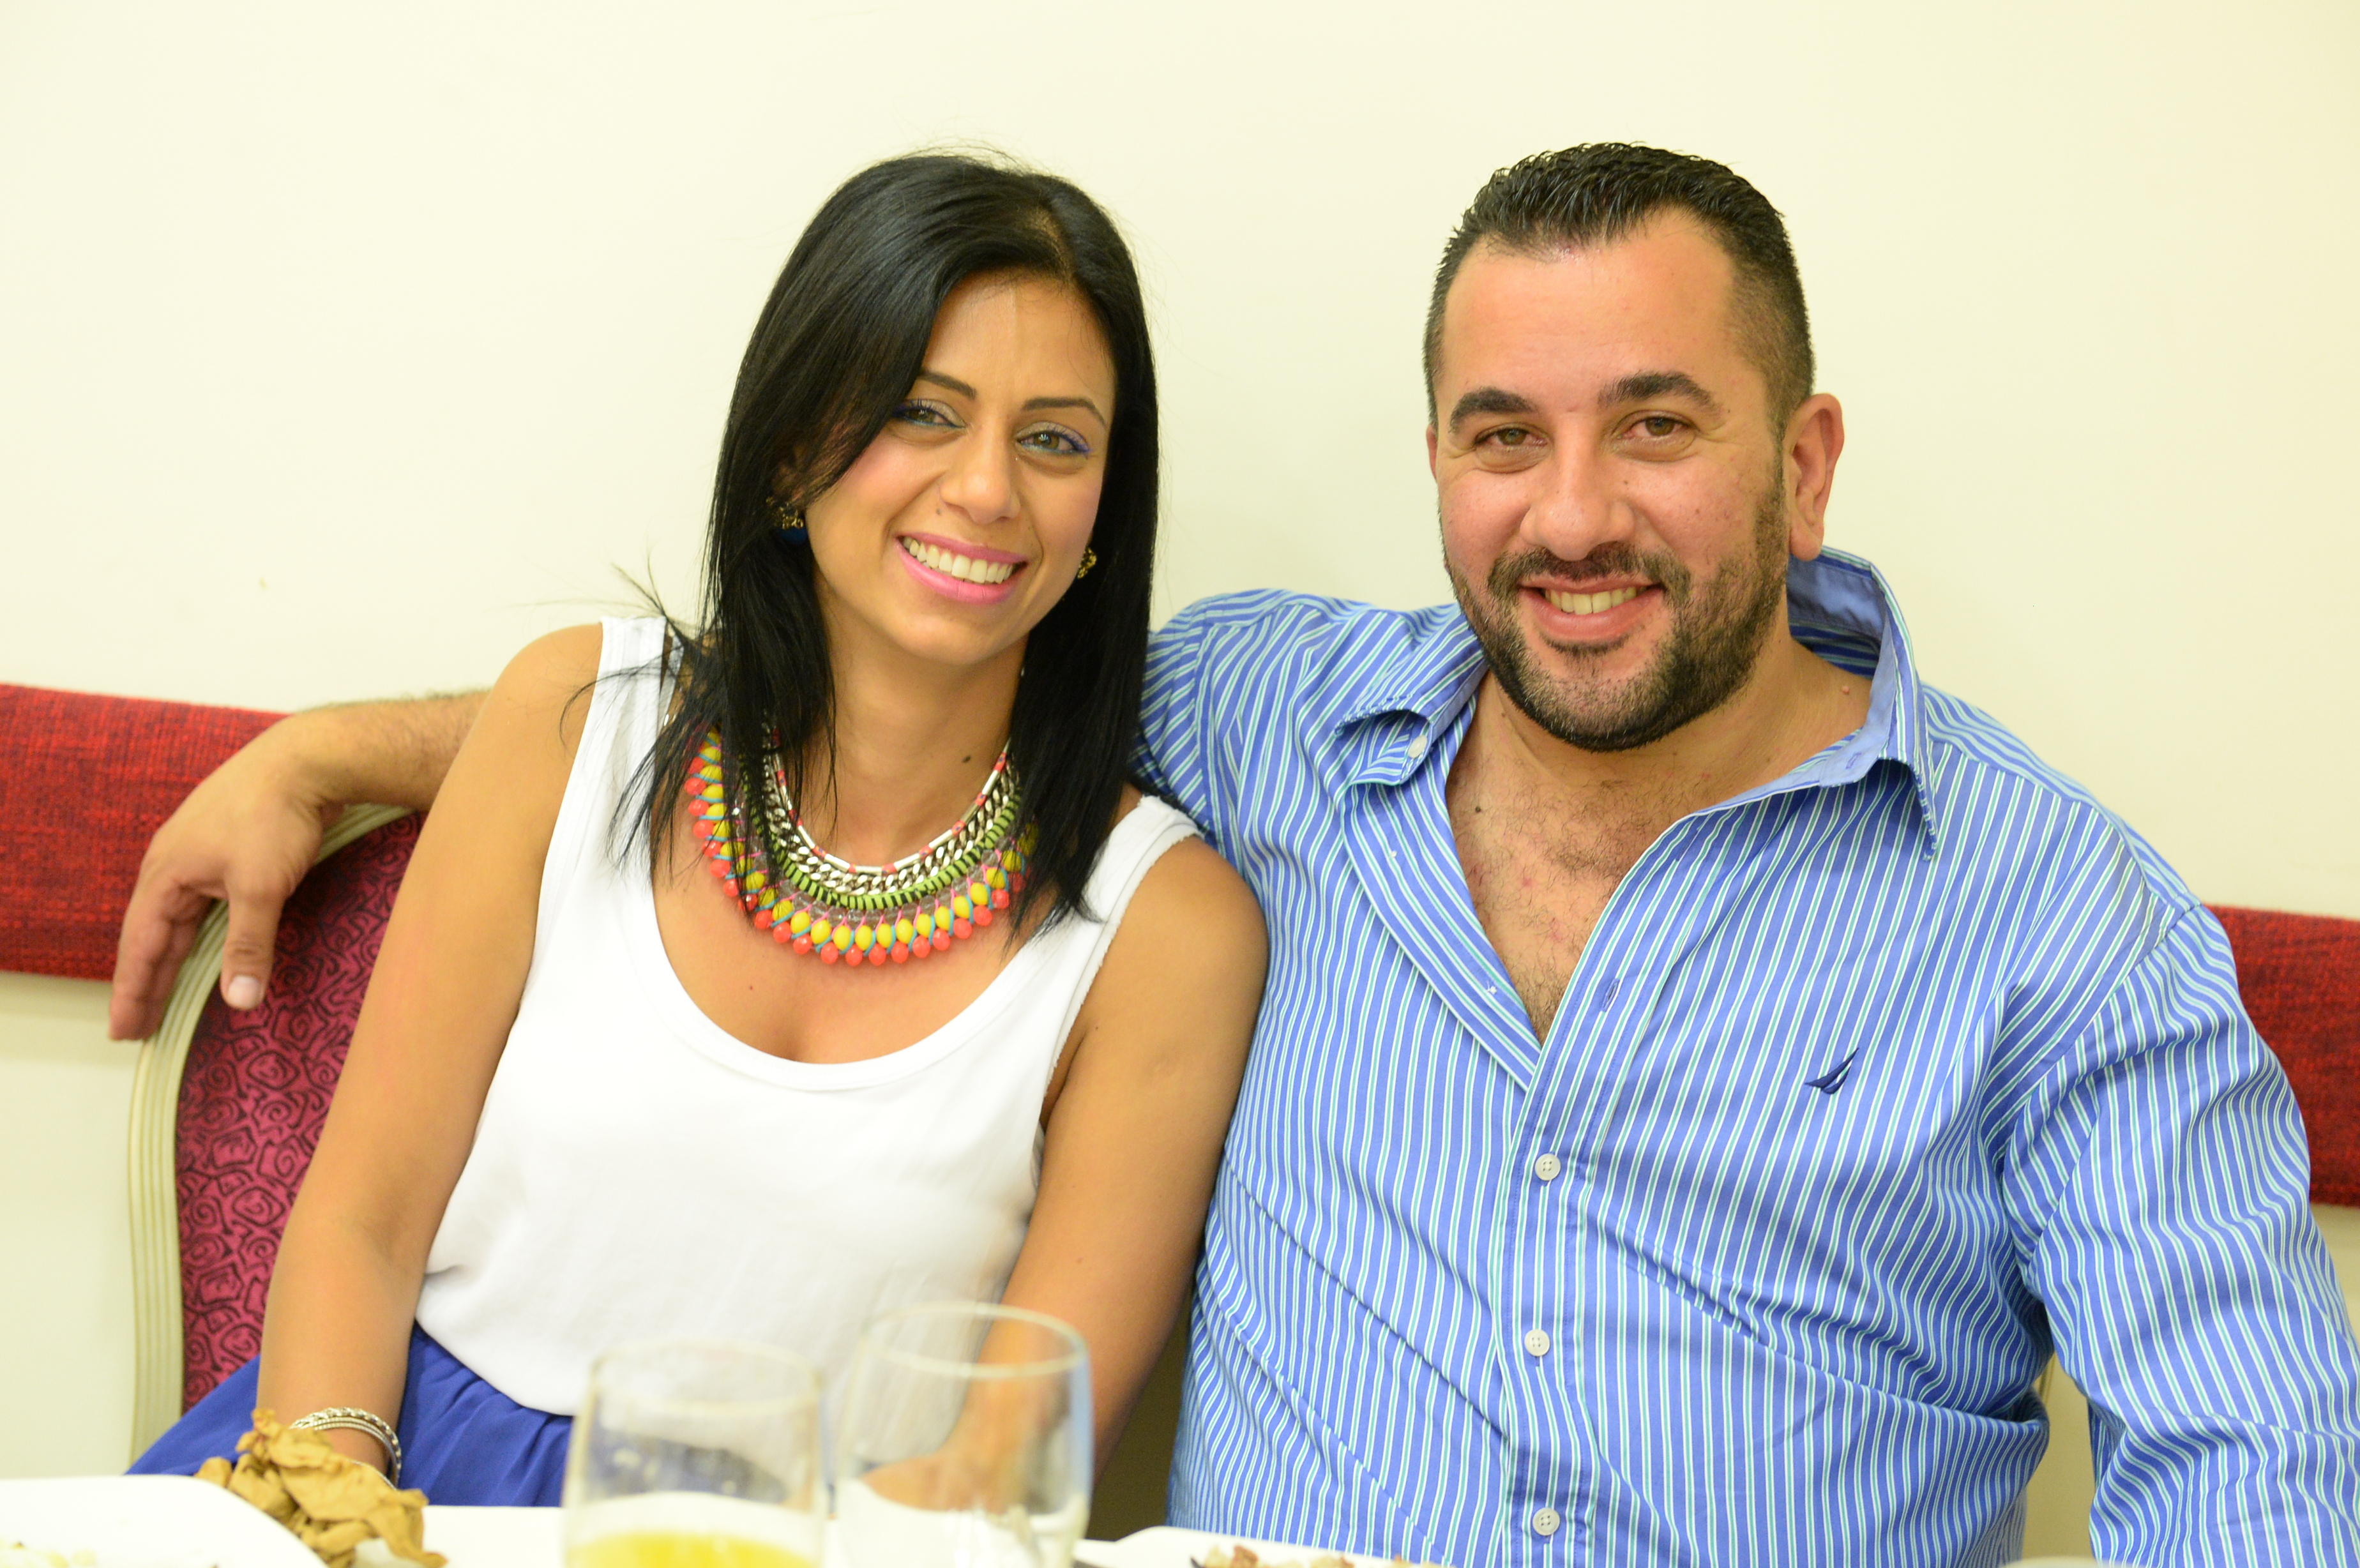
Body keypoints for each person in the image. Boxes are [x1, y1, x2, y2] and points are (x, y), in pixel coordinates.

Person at [113, 145, 2359, 1562]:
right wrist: (350, 745)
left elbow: (2250, 1471)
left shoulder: (2057, 927)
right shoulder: (1277, 726)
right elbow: (843, 685)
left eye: (1656, 427)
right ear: (1437, 462)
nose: (1572, 513)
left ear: (1805, 460)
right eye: (1505, 434)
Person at [121, 152, 1267, 1505]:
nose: (985, 489)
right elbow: (360, 1227)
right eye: (921, 411)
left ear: (1102, 515)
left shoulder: (1167, 933)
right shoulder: (569, 717)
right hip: (390, 1477)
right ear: (790, 449)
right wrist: (343, 1507)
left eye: (1055, 440)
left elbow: (1000, 1463)